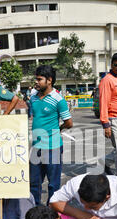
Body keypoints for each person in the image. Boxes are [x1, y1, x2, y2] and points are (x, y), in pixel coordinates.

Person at [29, 65, 73, 205]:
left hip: (52, 147)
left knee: (53, 184)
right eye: (36, 79)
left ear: (49, 80)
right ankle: (35, 209)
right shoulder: (33, 98)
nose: (36, 82)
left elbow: (69, 122)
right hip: (36, 147)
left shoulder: (58, 99)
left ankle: (51, 212)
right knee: (34, 183)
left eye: (39, 79)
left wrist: (58, 129)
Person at [99, 52, 117, 176]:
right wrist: (105, 124)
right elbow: (103, 101)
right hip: (114, 119)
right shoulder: (107, 80)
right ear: (111, 65)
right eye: (116, 65)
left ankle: (104, 161)